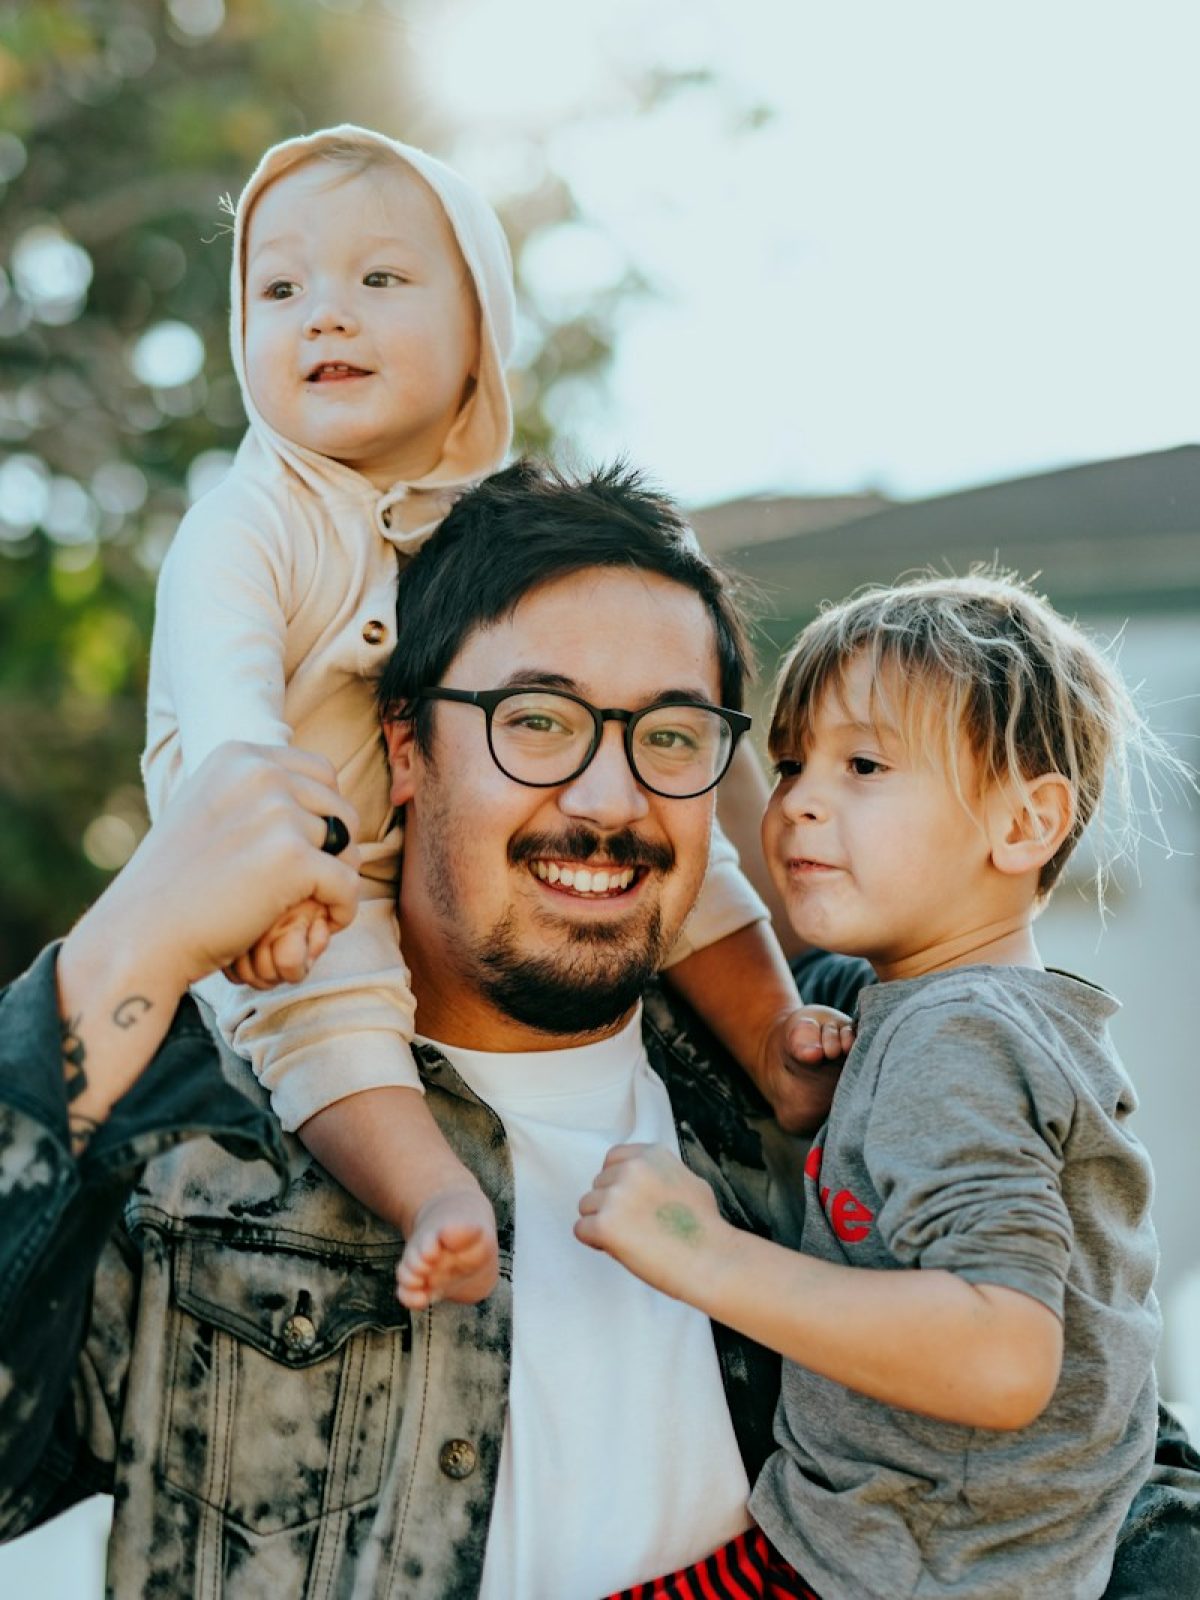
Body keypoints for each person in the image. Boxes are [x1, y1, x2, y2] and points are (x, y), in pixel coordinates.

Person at [0, 478, 1194, 1597]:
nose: (608, 800)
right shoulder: (192, 1118)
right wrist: (128, 947)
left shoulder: (838, 1057)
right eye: (538, 720)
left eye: (670, 737)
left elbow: (1107, 1450)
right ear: (405, 747)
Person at [142, 125, 850, 1312]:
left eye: (379, 280)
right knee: (329, 1013)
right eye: (280, 288)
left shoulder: (497, 531)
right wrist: (269, 882)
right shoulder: (249, 523)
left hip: (388, 856)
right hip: (294, 878)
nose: (325, 314)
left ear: (481, 333)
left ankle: (777, 1044)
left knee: (690, 849)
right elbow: (231, 731)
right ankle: (432, 1193)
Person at [578, 572, 1185, 1598]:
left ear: (1027, 824)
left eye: (864, 763)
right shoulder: (971, 1016)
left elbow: (1003, 1354)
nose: (800, 798)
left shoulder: (953, 1038)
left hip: (899, 1562)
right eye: (788, 761)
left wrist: (701, 1252)